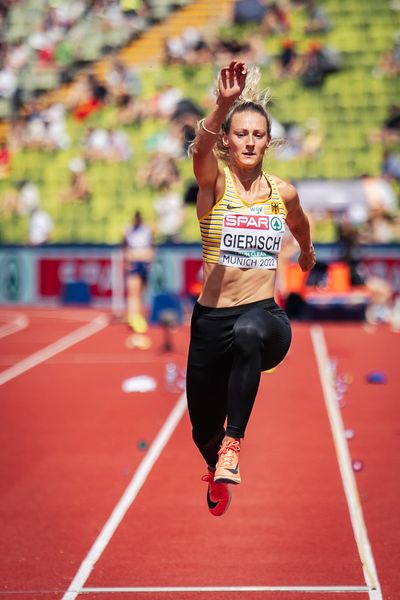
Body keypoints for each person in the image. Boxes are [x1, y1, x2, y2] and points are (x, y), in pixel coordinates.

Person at [186, 61, 316, 517]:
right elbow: (198, 153)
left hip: (265, 319)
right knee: (202, 429)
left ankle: (233, 445)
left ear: (267, 141)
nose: (248, 141)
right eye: (240, 133)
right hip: (210, 323)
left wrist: (307, 251)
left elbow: (298, 223)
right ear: (227, 139)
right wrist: (222, 104)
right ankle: (215, 458)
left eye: (257, 134)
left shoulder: (283, 192)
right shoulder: (215, 185)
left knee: (248, 332)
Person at [122, 210, 154, 333]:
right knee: (133, 290)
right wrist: (127, 260)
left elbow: (151, 246)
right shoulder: (128, 231)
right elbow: (124, 247)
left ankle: (142, 316)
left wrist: (149, 260)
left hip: (144, 262)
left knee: (143, 291)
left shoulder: (146, 230)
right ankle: (133, 317)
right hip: (134, 261)